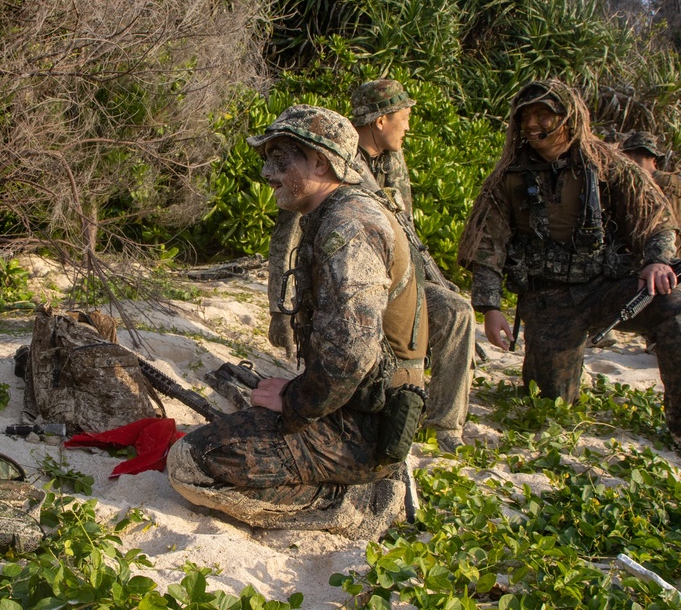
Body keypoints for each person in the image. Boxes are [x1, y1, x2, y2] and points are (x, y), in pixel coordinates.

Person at [168, 105, 428, 536]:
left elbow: (350, 354)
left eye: (281, 159)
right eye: (268, 159)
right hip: (356, 407)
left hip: (362, 427)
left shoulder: (349, 226)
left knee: (189, 463)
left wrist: (294, 402)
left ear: (321, 163)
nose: (269, 173)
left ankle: (357, 500)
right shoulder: (335, 212)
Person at [457, 79, 681, 435]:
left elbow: (656, 220)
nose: (532, 124)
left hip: (608, 287)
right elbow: (487, 245)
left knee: (675, 308)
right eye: (525, 116)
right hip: (550, 302)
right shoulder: (508, 178)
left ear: (568, 118)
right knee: (549, 406)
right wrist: (491, 307)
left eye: (543, 115)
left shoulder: (610, 166)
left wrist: (657, 260)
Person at [268, 80, 475, 453]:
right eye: (404, 117)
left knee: (456, 312)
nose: (408, 126)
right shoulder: (323, 159)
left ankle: (443, 423)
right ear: (381, 121)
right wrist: (277, 311)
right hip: (345, 285)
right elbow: (285, 237)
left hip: (387, 279)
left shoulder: (393, 162)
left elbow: (405, 232)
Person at [623, 131, 681, 223]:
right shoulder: (676, 180)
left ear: (629, 155)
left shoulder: (635, 184)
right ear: (654, 157)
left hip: (655, 235)